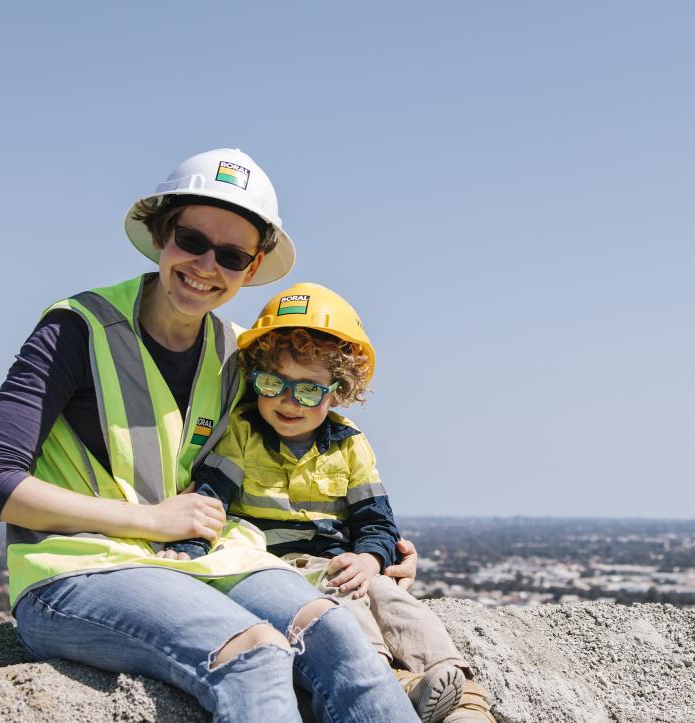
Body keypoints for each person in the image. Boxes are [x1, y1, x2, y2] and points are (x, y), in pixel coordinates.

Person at [0, 149, 418, 722]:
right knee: (252, 654)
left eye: (231, 255)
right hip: (76, 571)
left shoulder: (238, 353)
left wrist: (376, 547)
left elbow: (301, 440)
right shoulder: (77, 328)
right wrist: (151, 521)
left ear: (251, 269)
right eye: (192, 240)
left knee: (337, 636)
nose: (206, 265)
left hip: (199, 561)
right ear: (160, 235)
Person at [165, 282, 496, 723]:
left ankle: (458, 690)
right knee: (343, 598)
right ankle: (386, 678)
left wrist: (371, 561)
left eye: (308, 390)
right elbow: (211, 500)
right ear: (255, 377)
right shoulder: (242, 433)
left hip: (338, 559)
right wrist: (186, 553)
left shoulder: (351, 446)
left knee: (389, 598)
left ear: (338, 391)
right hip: (277, 567)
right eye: (272, 382)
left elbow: (377, 523)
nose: (288, 400)